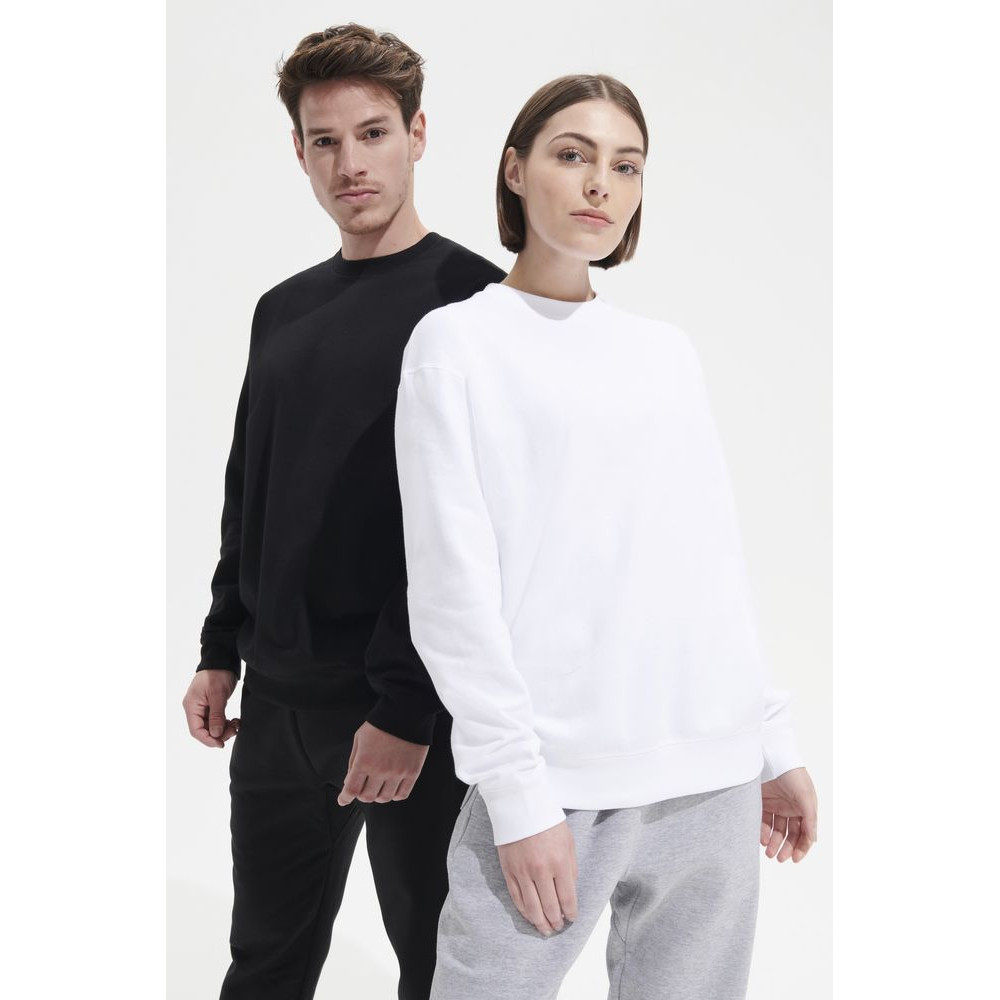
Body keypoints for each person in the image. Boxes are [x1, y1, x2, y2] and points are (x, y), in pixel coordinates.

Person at [393, 74, 819, 999]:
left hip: (708, 775)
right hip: (556, 778)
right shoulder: (455, 344)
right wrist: (515, 793)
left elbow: (708, 561)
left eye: (626, 166)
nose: (600, 183)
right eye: (572, 155)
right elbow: (451, 593)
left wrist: (769, 742)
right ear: (515, 171)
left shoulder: (665, 352)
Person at [180, 23, 505, 1000]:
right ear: (299, 150)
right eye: (325, 141)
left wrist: (405, 708)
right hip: (279, 707)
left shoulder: (474, 303)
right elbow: (251, 485)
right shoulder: (282, 309)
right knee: (264, 966)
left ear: (417, 134)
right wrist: (220, 645)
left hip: (417, 712)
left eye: (372, 134)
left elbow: (474, 528)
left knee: (443, 974)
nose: (349, 163)